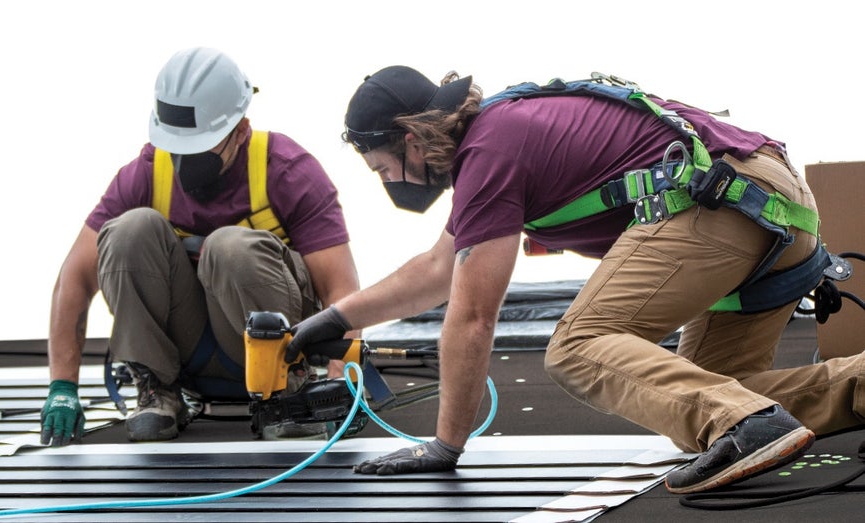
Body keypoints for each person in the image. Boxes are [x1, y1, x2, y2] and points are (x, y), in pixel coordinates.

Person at [284, 65, 865, 494]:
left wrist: (444, 447)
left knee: (577, 346)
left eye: (384, 167)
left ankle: (748, 422)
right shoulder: (503, 137)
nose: (390, 182)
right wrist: (334, 319)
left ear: (411, 138)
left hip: (724, 202)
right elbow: (440, 269)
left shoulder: (490, 149)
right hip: (773, 207)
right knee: (707, 400)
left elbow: (471, 314)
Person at [40, 47, 360, 446]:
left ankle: (282, 395)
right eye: (176, 147)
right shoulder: (145, 175)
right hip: (183, 352)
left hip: (267, 354)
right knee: (128, 230)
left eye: (198, 148)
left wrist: (340, 383)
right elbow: (74, 278)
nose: (182, 161)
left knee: (229, 246)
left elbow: (342, 290)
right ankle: (158, 393)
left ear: (240, 131)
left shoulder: (287, 172)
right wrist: (62, 388)